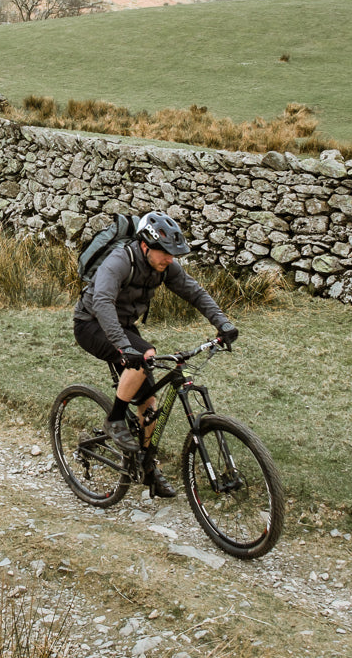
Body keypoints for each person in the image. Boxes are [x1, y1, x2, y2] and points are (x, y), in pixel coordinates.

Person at [72, 211, 238, 497]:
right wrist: (124, 348)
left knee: (149, 398)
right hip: (91, 324)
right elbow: (101, 302)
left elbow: (195, 293)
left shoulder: (164, 266)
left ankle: (147, 467)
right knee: (143, 355)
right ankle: (114, 419)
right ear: (146, 246)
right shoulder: (120, 261)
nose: (170, 259)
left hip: (123, 326)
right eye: (166, 253)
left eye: (174, 254)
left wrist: (222, 323)